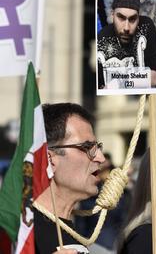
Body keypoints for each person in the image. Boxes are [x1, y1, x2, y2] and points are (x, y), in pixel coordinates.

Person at [34, 103, 106, 254]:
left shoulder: (72, 232)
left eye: (98, 147)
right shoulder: (17, 232)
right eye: (87, 147)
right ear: (49, 159)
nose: (101, 158)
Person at [97, 0, 156, 88]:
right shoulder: (102, 39)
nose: (126, 28)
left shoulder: (146, 26)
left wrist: (119, 83)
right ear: (112, 15)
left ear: (138, 18)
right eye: (121, 18)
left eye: (132, 19)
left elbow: (155, 78)